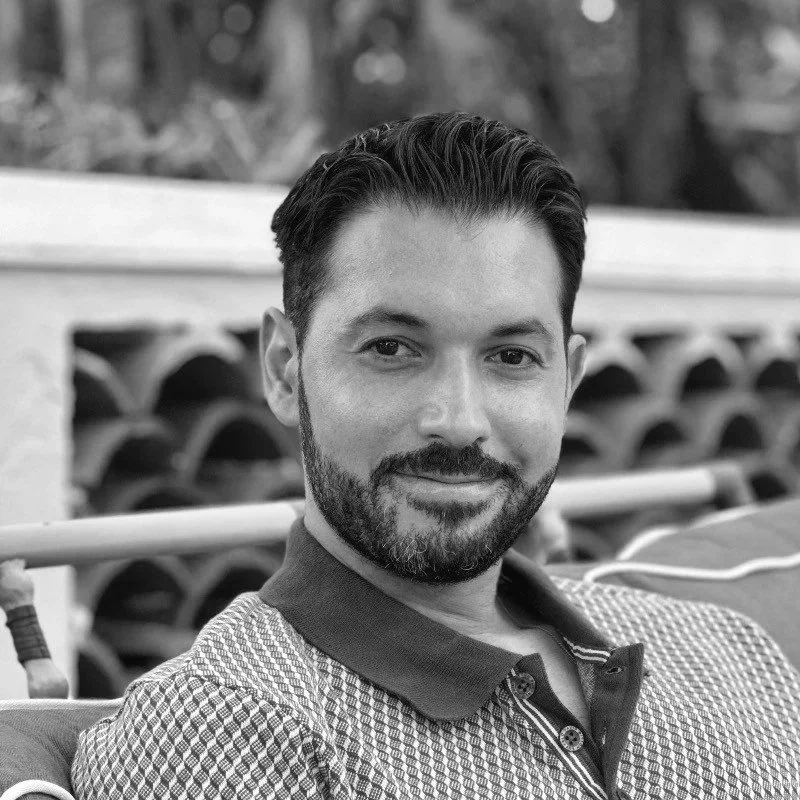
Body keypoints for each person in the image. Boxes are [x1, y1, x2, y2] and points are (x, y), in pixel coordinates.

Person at [71, 112, 800, 799]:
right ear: (286, 369)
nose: (457, 422)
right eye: (391, 349)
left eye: (512, 356)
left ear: (569, 381)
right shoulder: (227, 734)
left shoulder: (731, 656)